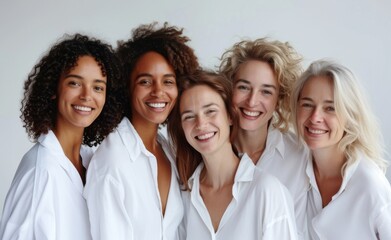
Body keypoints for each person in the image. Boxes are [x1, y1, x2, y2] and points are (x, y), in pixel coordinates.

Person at [0, 34, 123, 240]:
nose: (87, 96)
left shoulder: (93, 160)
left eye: (98, 87)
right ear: (53, 90)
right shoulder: (41, 170)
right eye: (75, 83)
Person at [83, 22, 199, 240]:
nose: (158, 91)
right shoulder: (112, 161)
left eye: (168, 81)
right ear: (127, 87)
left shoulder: (168, 150)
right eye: (145, 81)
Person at [168, 70, 298, 240]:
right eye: (189, 116)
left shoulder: (267, 191)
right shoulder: (184, 195)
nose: (201, 124)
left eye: (210, 111)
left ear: (229, 116)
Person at [291, 59, 391, 239]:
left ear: (350, 115)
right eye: (307, 104)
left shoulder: (370, 185)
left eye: (330, 108)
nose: (315, 117)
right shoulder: (293, 168)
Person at [219, 38, 309, 238]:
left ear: (279, 99)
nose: (252, 101)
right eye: (243, 87)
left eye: (266, 92)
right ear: (228, 89)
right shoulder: (207, 150)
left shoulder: (301, 156)